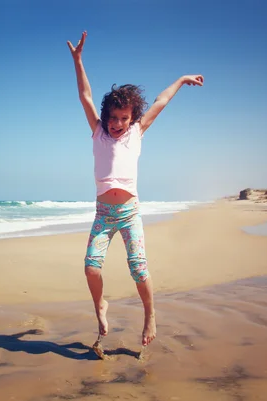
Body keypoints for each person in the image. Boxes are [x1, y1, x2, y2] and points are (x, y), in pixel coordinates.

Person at [67, 31, 204, 347]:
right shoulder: (98, 132)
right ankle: (100, 305)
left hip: (129, 214)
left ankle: (149, 315)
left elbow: (161, 100)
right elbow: (85, 96)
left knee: (140, 272)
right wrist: (78, 61)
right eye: (113, 118)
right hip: (103, 213)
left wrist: (182, 80)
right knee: (90, 268)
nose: (116, 124)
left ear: (132, 118)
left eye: (123, 118)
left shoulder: (137, 133)